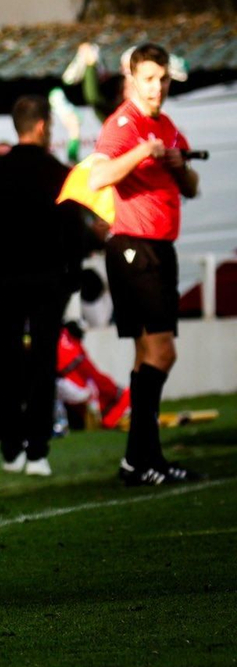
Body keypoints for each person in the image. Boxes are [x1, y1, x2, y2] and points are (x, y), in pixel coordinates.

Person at [86, 44, 202, 485]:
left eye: (164, 79)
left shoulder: (168, 126)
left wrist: (176, 164)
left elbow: (191, 186)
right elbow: (97, 176)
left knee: (145, 358)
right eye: (149, 78)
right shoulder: (123, 123)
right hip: (134, 247)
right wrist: (143, 153)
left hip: (159, 248)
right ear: (133, 79)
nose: (158, 87)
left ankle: (143, 460)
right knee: (162, 352)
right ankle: (141, 456)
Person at [0, 95, 91, 477]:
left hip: (5, 283)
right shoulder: (59, 173)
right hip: (48, 282)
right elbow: (77, 236)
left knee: (7, 364)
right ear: (42, 126)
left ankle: (10, 448)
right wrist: (68, 280)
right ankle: (38, 450)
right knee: (42, 364)